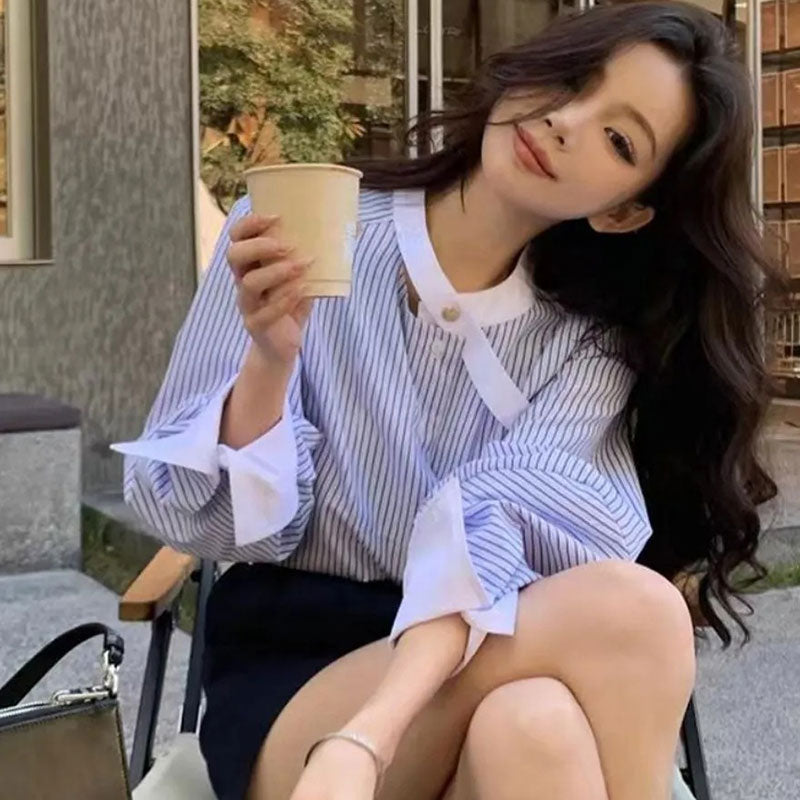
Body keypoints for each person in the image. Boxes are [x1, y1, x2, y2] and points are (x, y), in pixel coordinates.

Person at [113, 3, 785, 799]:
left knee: (534, 724)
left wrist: (364, 742)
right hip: (294, 680)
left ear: (624, 211)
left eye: (618, 139)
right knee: (636, 610)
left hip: (467, 663)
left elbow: (488, 534)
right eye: (573, 81)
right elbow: (202, 518)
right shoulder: (299, 234)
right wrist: (271, 358)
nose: (565, 122)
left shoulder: (585, 347)